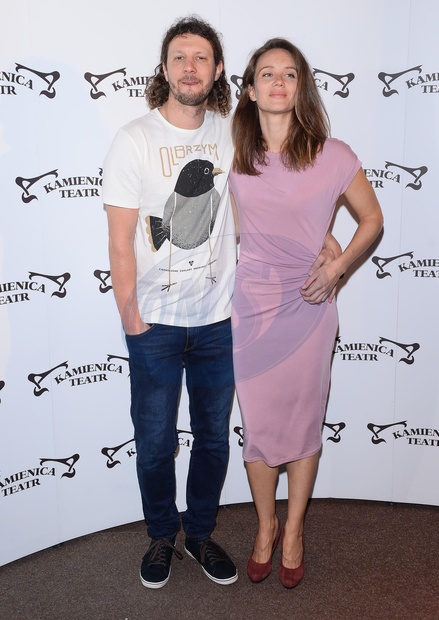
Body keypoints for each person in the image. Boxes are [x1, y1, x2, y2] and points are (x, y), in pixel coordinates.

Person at [103, 16, 340, 590]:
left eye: (201, 58)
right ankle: (162, 535)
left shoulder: (234, 135)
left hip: (220, 320)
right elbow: (120, 239)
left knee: (213, 438)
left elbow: (277, 195)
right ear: (164, 69)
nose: (190, 68)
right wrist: (131, 317)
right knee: (155, 441)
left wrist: (326, 238)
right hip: (155, 324)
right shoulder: (134, 139)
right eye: (179, 58)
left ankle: (202, 532)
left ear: (217, 72)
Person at [229, 38, 383, 589]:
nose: (278, 81)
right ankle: (264, 527)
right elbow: (227, 223)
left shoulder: (332, 154)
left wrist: (336, 266)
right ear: (250, 90)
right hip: (252, 308)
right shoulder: (231, 153)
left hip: (310, 305)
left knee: (302, 420)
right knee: (259, 424)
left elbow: (372, 219)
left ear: (301, 87)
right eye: (267, 73)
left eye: (289, 73)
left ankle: (293, 530)